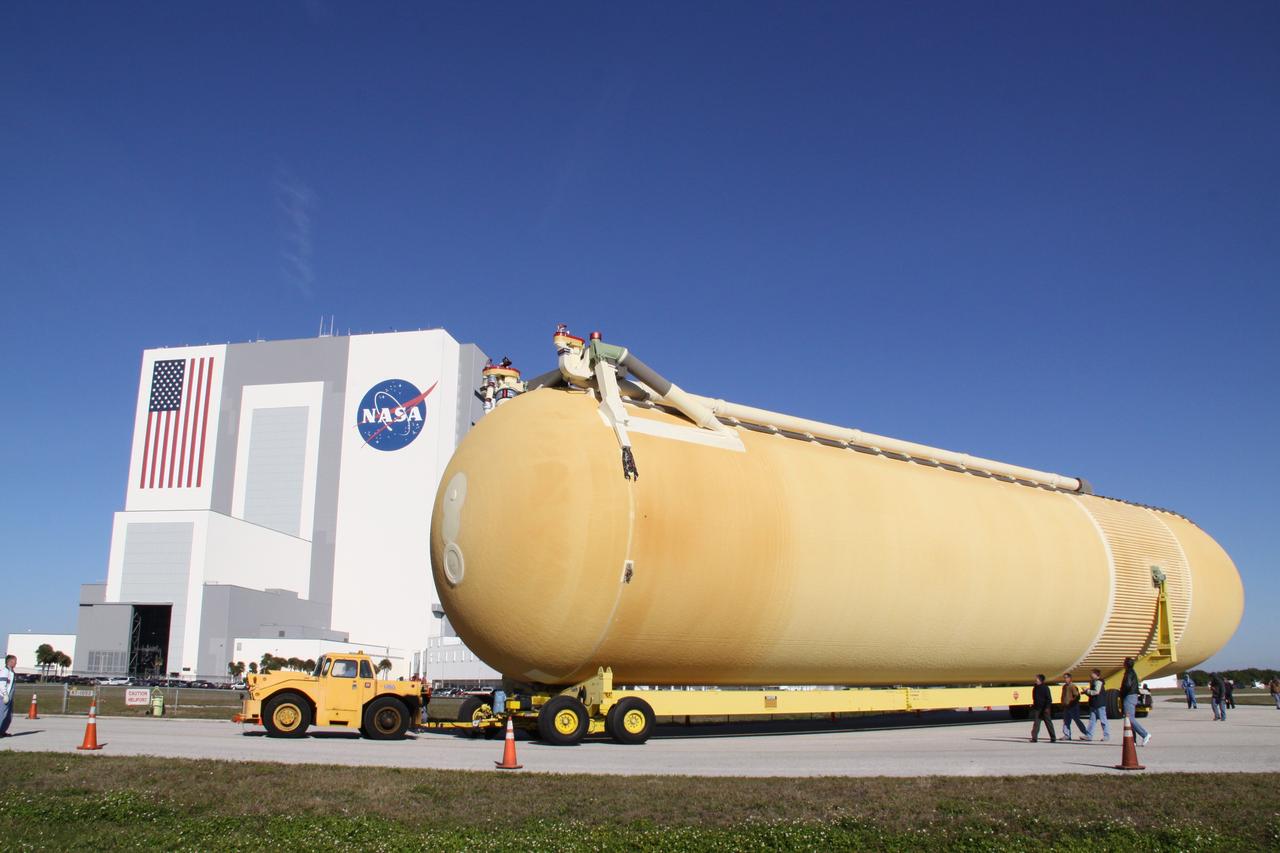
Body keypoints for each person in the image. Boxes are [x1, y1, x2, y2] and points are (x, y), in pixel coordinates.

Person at [1121, 657, 1151, 746]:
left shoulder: (1129, 673)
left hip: (1129, 696)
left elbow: (1127, 685)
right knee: (1130, 719)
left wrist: (1122, 692)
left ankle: (1145, 734)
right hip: (1132, 695)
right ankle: (1132, 740)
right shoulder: (1132, 672)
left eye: (1124, 662)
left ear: (1126, 664)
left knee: (1129, 718)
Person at [1059, 673, 1089, 741]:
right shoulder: (1064, 686)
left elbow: (1077, 696)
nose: (1065, 679)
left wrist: (1072, 702)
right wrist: (1062, 703)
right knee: (1066, 721)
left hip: (1073, 706)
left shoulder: (1073, 686)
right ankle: (1067, 735)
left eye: (1066, 678)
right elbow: (1063, 696)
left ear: (1070, 678)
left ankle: (1086, 733)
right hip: (1066, 706)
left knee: (1077, 720)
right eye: (1064, 678)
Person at [1085, 668, 1110, 742]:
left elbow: (1096, 692)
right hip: (1094, 704)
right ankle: (1089, 735)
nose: (1090, 675)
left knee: (1103, 720)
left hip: (1099, 704)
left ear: (1096, 674)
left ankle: (1106, 736)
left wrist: (1087, 691)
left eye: (1092, 673)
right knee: (1092, 721)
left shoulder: (1099, 682)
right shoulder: (1093, 682)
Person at [1030, 674, 1056, 743]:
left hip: (1045, 709)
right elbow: (1034, 698)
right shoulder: (1035, 688)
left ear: (1040, 680)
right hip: (1037, 709)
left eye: (1037, 679)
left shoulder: (1045, 688)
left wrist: (1047, 708)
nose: (1035, 680)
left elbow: (1049, 699)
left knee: (1048, 723)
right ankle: (1034, 738)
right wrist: (1033, 705)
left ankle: (1053, 737)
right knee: (1036, 723)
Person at [0, 654, 16, 737]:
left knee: (8, 716)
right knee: (2, 714)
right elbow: (2, 684)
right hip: (4, 697)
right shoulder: (5, 671)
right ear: (9, 662)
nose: (15, 663)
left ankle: (2, 731)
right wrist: (5, 695)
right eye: (14, 661)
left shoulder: (11, 672)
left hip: (10, 697)